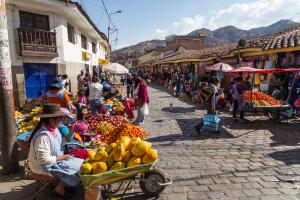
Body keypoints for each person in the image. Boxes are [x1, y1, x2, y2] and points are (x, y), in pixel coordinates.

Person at [28, 104, 83, 199]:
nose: (61, 121)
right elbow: (43, 160)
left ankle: (63, 185)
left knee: (80, 164)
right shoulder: (43, 137)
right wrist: (63, 157)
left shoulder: (54, 130)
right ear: (51, 119)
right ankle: (59, 189)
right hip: (41, 168)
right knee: (75, 169)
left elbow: (62, 142)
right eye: (59, 119)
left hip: (54, 162)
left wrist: (72, 130)